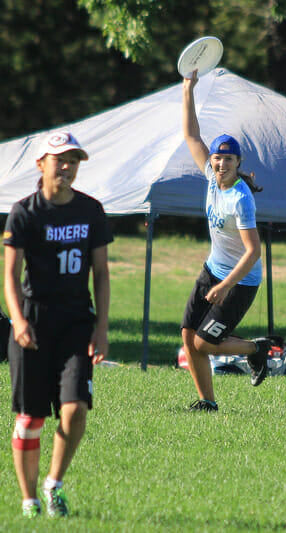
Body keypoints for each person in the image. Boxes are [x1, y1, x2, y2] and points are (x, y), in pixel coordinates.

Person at [4, 131, 112, 518]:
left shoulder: (90, 211)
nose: (66, 167)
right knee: (31, 419)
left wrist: (101, 328)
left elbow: (100, 272)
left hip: (75, 324)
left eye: (73, 160)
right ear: (41, 165)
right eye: (59, 160)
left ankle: (54, 485)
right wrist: (17, 321)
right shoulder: (24, 212)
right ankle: (29, 500)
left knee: (75, 409)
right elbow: (11, 276)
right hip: (33, 325)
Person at [181, 69, 271, 412]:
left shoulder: (240, 198)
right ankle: (208, 403)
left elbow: (253, 251)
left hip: (241, 279)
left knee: (204, 343)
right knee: (188, 337)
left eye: (227, 159)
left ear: (238, 163)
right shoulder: (210, 175)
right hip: (213, 268)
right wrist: (188, 89)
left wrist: (224, 286)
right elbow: (191, 135)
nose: (219, 163)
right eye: (217, 157)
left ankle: (256, 349)